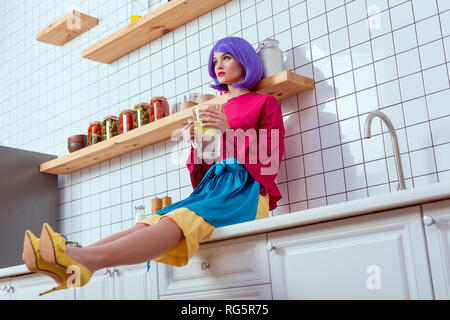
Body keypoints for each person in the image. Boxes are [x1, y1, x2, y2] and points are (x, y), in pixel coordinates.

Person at [22, 36, 286, 296]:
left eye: (226, 57)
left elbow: (270, 161)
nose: (219, 64)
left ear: (245, 60)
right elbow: (206, 170)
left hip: (246, 192)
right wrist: (197, 144)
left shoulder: (265, 103)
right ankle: (71, 257)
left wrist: (227, 130)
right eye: (215, 60)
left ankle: (85, 262)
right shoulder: (214, 109)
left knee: (175, 219)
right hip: (214, 189)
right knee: (150, 221)